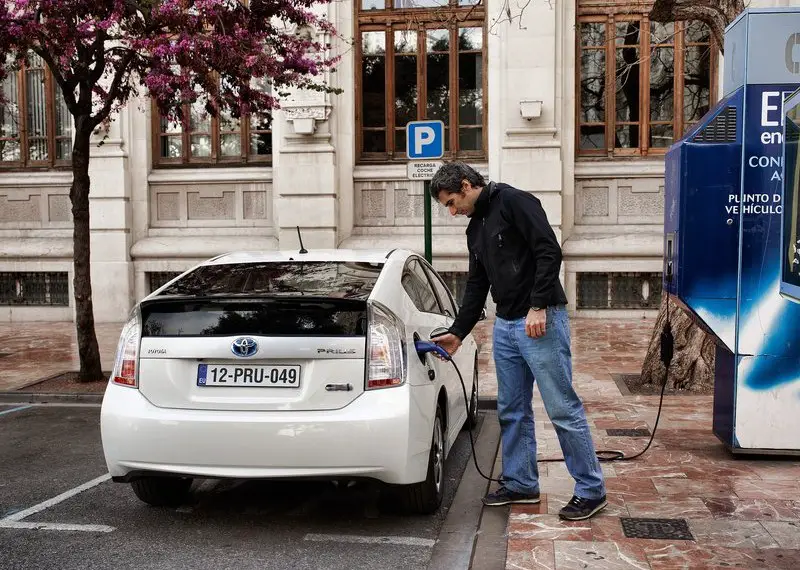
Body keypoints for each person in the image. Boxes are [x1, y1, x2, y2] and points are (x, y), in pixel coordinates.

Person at [429, 162, 607, 521]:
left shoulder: (515, 202)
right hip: (506, 326)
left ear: (466, 185)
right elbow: (478, 283)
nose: (451, 212)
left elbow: (548, 252)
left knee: (562, 408)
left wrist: (538, 305)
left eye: (451, 202)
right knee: (512, 410)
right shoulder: (475, 226)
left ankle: (591, 490)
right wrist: (459, 332)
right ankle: (521, 482)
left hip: (539, 321)